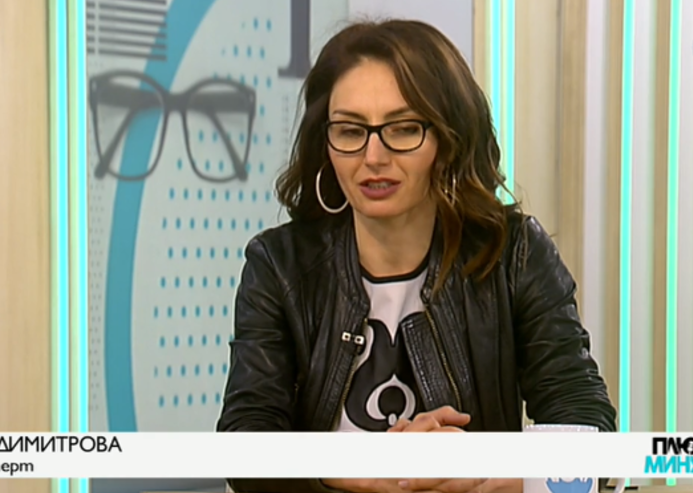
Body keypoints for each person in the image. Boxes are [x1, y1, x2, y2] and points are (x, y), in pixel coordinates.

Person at [216, 18, 617, 493]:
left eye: (403, 129)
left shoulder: (514, 254)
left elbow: (585, 424)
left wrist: (499, 475)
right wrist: (356, 466)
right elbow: (245, 445)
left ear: (448, 138)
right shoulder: (280, 265)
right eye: (350, 130)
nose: (373, 157)